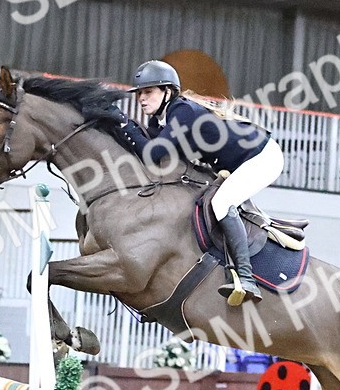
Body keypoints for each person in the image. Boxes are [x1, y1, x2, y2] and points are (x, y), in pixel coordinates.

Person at [108, 60, 285, 306]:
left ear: (167, 91)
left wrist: (123, 122)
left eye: (148, 92)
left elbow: (152, 153)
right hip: (241, 161)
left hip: (262, 156)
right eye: (139, 93)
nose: (142, 98)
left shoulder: (182, 111)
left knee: (221, 203)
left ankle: (246, 278)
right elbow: (148, 151)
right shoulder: (160, 121)